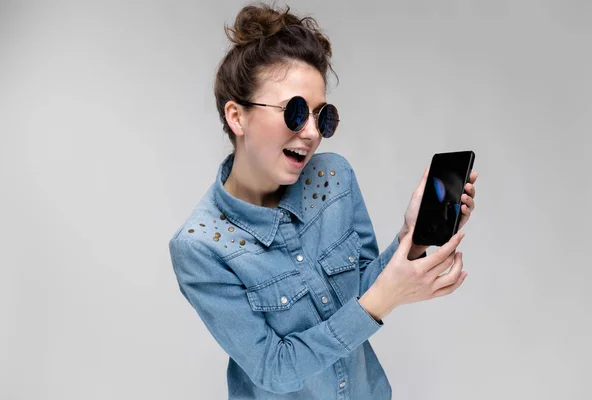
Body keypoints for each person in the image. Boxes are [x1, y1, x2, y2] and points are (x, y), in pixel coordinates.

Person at [168, 3, 478, 399]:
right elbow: (274, 369)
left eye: (322, 116)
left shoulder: (335, 178)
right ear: (237, 117)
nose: (312, 132)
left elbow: (360, 293)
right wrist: (382, 303)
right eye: (295, 112)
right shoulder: (200, 246)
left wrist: (411, 238)